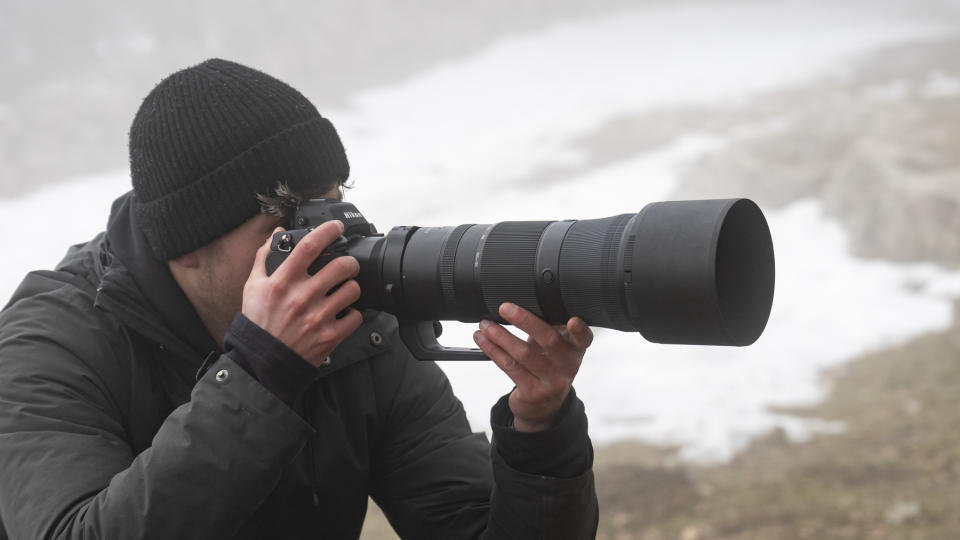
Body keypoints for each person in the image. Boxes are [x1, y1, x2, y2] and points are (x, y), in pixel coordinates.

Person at [0, 58, 598, 539]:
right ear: (185, 247)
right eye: (289, 225)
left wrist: (541, 434)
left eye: (334, 204)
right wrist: (261, 374)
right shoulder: (49, 347)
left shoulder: (356, 331)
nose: (330, 246)